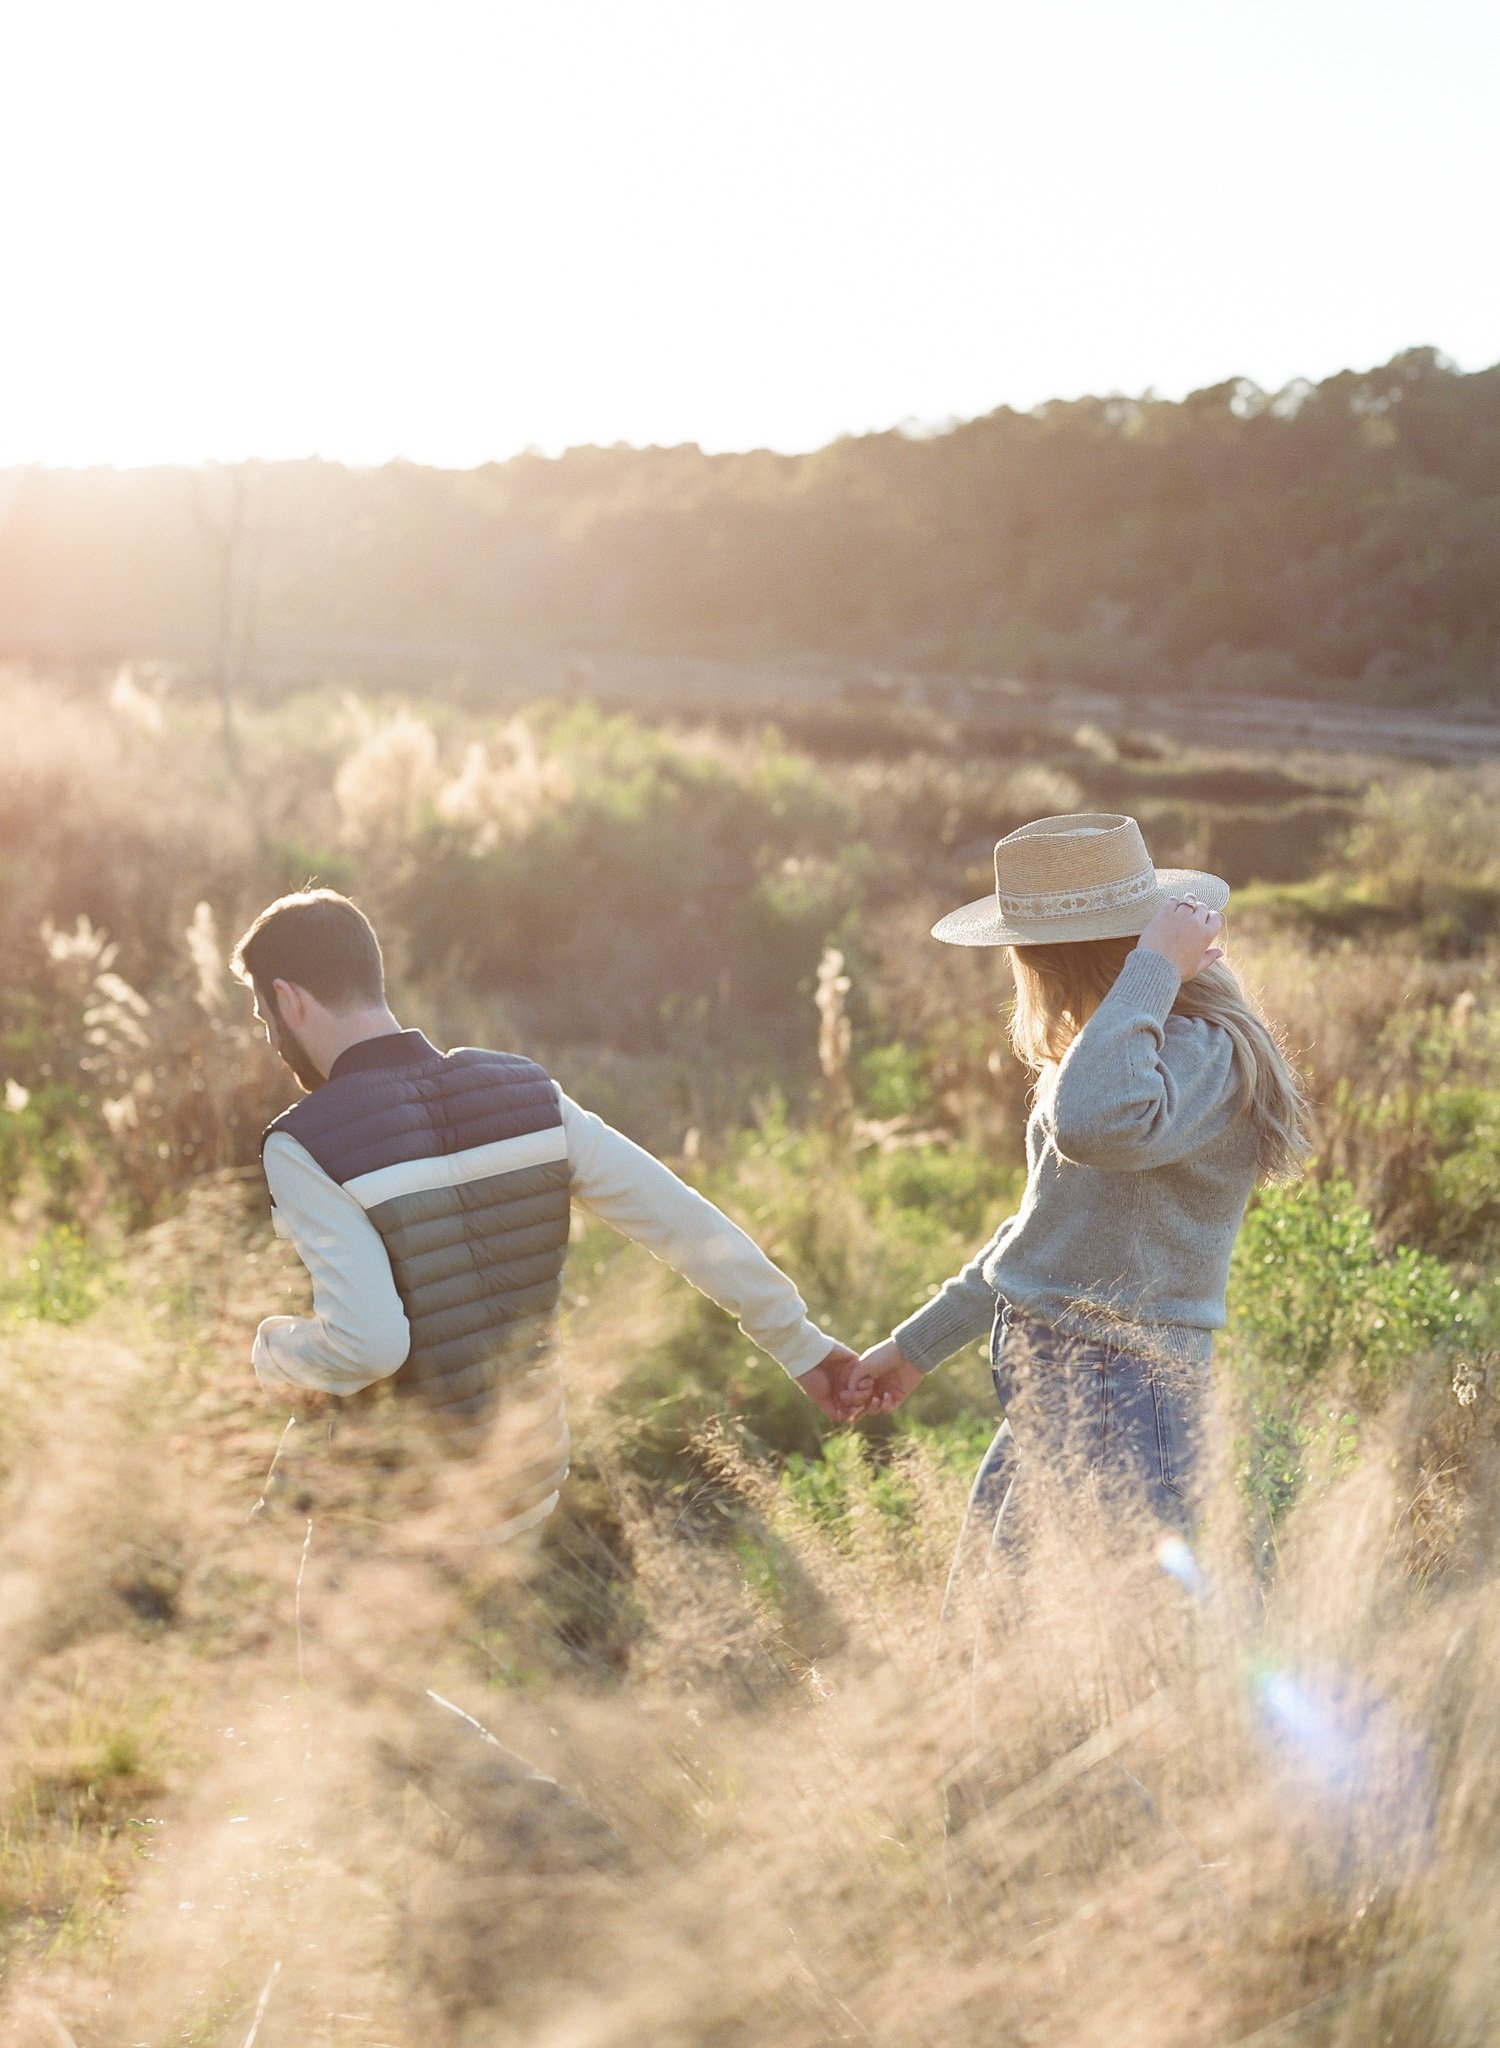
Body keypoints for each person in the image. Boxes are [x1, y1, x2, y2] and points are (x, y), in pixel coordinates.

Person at [230, 888, 859, 1543]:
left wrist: (273, 1351)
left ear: (291, 999)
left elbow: (370, 1344)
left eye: (263, 1015)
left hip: (395, 1517)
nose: (272, 1040)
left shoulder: (305, 1144)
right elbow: (687, 1227)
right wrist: (800, 1345)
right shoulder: (526, 1094)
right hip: (521, 1490)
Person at [845, 811, 1310, 1590]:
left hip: (1121, 1395)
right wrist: (917, 1346)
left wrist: (1154, 967)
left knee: (1125, 1661)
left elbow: (1095, 1124)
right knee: (1003, 1645)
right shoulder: (1115, 1049)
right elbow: (1041, 1236)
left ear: (1051, 961)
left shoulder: (1194, 1054)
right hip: (1061, 1391)